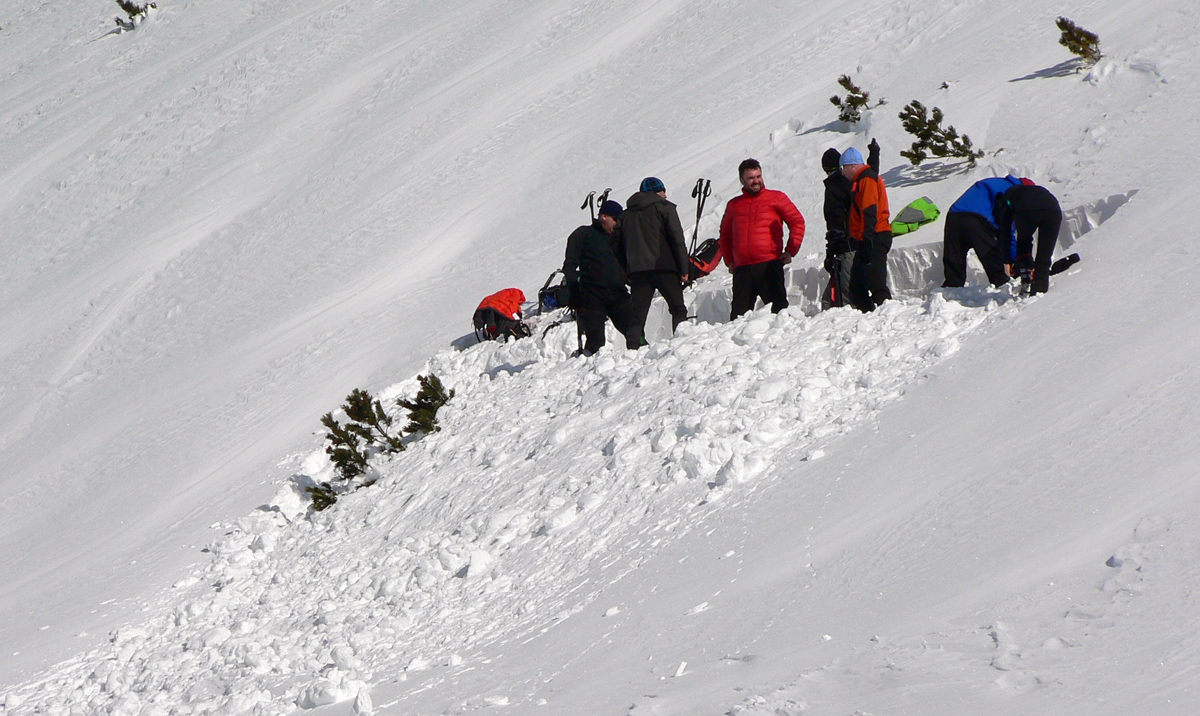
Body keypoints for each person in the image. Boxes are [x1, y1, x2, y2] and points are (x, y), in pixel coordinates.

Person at [717, 158, 806, 319]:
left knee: (780, 316)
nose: (756, 181)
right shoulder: (734, 205)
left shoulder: (776, 198)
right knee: (738, 319)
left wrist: (791, 250)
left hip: (769, 265)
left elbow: (797, 221)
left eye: (759, 176)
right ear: (742, 180)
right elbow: (725, 234)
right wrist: (730, 261)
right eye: (751, 178)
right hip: (743, 270)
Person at [619, 177, 690, 346]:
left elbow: (616, 246)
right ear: (658, 191)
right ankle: (682, 345)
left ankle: (632, 349)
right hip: (664, 267)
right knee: (678, 309)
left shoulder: (625, 215)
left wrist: (626, 271)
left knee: (637, 316)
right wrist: (684, 269)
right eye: (663, 191)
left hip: (637, 272)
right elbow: (677, 239)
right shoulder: (665, 208)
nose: (665, 196)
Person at [563, 200, 636, 354]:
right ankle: (589, 371)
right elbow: (570, 265)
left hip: (618, 293)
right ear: (603, 217)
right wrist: (574, 291)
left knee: (635, 331)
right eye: (614, 219)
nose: (617, 224)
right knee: (595, 342)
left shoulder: (617, 237)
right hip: (593, 295)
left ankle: (641, 363)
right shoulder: (583, 234)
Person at [821, 140, 879, 311]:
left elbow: (836, 220)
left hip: (846, 245)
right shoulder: (851, 182)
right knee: (844, 289)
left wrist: (834, 245)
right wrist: (874, 156)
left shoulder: (836, 186)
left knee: (847, 291)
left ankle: (848, 318)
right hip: (849, 243)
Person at [941, 175, 1026, 289]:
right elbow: (1006, 228)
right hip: (976, 219)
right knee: (989, 253)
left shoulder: (995, 182)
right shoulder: (1016, 192)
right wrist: (1014, 259)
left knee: (954, 256)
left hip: (954, 215)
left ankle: (951, 289)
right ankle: (1002, 285)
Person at [840, 147, 892, 309]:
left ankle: (889, 314)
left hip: (874, 236)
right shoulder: (863, 178)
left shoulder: (867, 179)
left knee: (876, 283)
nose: (843, 173)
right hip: (866, 238)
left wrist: (868, 239)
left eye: (843, 168)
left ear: (852, 166)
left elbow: (870, 209)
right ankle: (869, 318)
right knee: (856, 288)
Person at [994, 182, 1062, 295]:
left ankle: (1026, 277)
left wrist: (1007, 260)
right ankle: (1040, 289)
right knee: (1044, 254)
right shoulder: (1031, 190)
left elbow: (1005, 231)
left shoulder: (1007, 197)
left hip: (1027, 209)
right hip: (1053, 210)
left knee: (1023, 242)